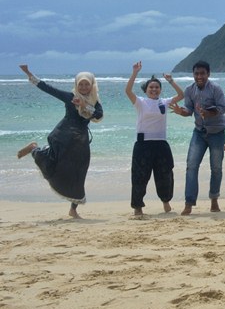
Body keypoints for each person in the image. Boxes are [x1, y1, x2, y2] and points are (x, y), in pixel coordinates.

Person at [17, 64, 103, 219]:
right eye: (80, 84)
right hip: (63, 136)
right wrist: (29, 73)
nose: (83, 87)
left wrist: (85, 106)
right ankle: (34, 149)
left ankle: (73, 209)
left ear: (92, 85)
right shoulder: (71, 97)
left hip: (80, 142)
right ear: (76, 85)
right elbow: (48, 89)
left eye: (86, 84)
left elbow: (98, 116)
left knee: (79, 172)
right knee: (52, 162)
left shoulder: (95, 101)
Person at [124, 61, 184, 217]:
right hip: (143, 144)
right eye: (151, 87)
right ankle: (137, 207)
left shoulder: (164, 102)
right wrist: (135, 72)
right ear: (146, 90)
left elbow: (181, 95)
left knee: (165, 175)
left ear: (160, 90)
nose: (154, 89)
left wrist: (171, 81)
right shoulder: (141, 102)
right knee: (139, 176)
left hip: (161, 144)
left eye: (157, 87)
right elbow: (128, 90)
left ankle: (166, 201)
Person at [169, 60, 225, 215]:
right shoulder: (189, 90)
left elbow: (223, 108)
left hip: (217, 132)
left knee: (216, 168)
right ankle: (189, 203)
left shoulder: (216, 89)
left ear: (208, 74)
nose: (199, 76)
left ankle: (214, 200)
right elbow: (189, 110)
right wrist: (182, 112)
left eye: (202, 73)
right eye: (196, 73)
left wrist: (209, 113)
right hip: (199, 132)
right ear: (193, 75)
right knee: (191, 166)